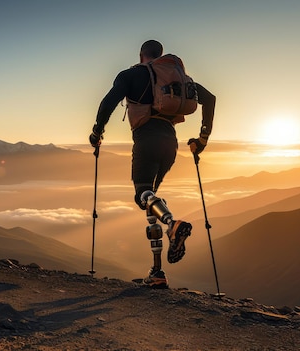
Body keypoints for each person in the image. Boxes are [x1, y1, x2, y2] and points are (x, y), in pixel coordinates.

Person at [89, 39, 215, 288]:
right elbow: (210, 98)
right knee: (151, 200)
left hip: (146, 141)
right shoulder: (179, 80)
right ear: (159, 57)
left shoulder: (131, 75)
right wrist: (202, 139)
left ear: (141, 55)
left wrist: (97, 133)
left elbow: (107, 103)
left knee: (143, 195)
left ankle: (172, 224)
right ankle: (157, 272)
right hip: (170, 145)